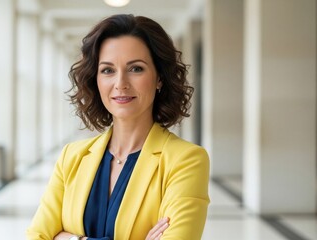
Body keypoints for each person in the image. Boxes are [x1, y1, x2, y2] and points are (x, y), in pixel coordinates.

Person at [26, 14, 210, 240]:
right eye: (107, 70)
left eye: (136, 69)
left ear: (159, 77)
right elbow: (36, 236)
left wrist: (70, 238)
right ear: (96, 79)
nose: (120, 83)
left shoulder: (186, 160)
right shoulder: (71, 157)